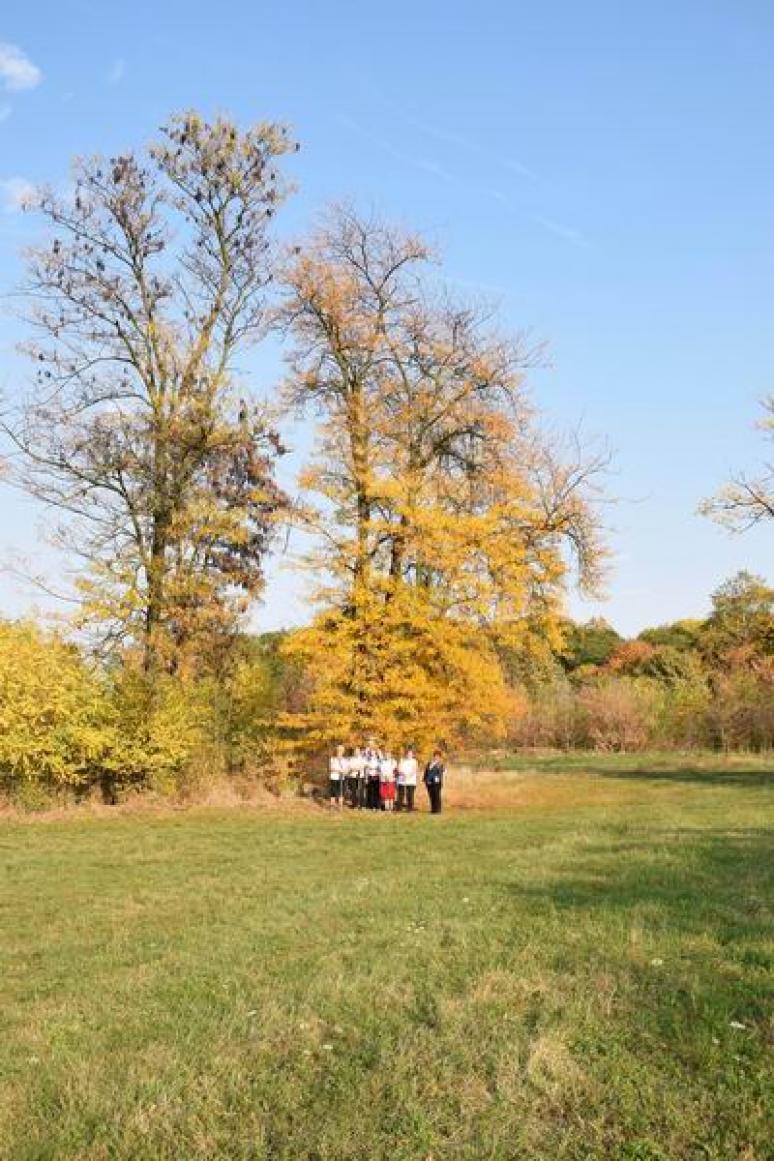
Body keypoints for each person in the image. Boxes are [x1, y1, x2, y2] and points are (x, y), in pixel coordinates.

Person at [423, 749, 445, 814]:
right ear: (433, 756)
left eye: (438, 756)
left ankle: (438, 810)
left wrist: (438, 767)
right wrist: (425, 780)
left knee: (437, 796)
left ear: (440, 757)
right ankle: (433, 809)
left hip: (437, 782)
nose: (436, 757)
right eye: (435, 756)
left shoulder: (440, 763)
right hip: (429, 782)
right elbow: (426, 772)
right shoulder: (429, 763)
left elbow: (442, 771)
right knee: (431, 796)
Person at [397, 747, 419, 811]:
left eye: (410, 754)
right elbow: (399, 769)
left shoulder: (414, 761)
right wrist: (403, 774)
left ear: (412, 754)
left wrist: (409, 775)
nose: (409, 755)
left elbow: (415, 769)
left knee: (410, 795)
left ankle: (410, 808)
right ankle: (399, 808)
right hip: (402, 780)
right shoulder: (402, 760)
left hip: (411, 780)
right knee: (400, 794)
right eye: (408, 754)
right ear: (406, 754)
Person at [364, 743, 381, 810]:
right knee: (370, 791)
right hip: (370, 775)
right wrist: (366, 778)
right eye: (372, 752)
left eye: (374, 752)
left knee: (376, 791)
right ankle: (370, 805)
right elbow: (366, 768)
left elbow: (381, 765)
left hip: (377, 776)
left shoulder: (378, 759)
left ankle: (376, 805)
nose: (373, 753)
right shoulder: (368, 759)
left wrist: (377, 748)